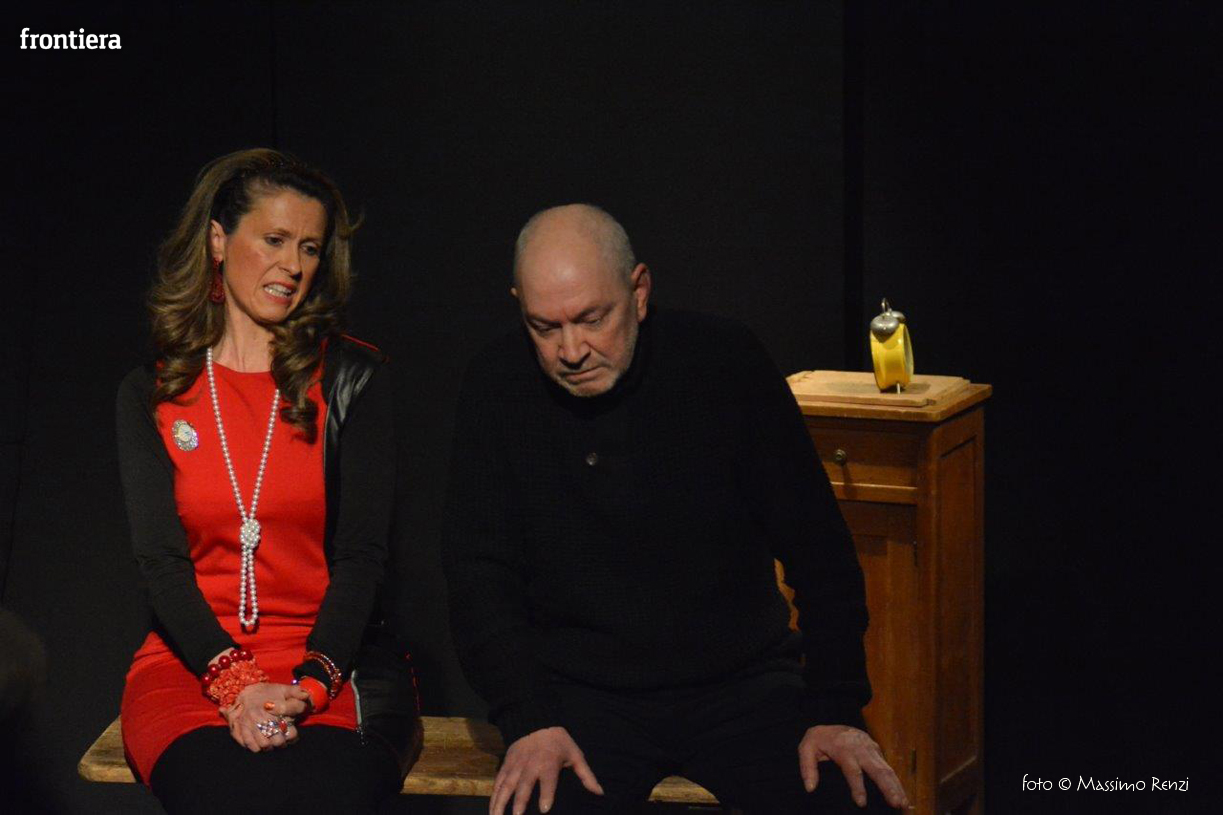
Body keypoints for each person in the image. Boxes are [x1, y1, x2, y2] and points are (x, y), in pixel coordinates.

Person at [443, 204, 910, 815]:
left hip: (744, 686)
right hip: (579, 698)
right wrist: (527, 717)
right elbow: (478, 576)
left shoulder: (723, 361)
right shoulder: (497, 385)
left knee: (852, 801)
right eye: (544, 327)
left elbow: (817, 546)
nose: (571, 349)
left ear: (639, 292)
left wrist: (834, 707)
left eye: (592, 319)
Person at [116, 148, 420, 814]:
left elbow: (362, 557)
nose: (294, 265)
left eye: (309, 248)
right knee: (219, 793)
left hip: (330, 664)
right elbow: (160, 564)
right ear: (218, 240)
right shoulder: (153, 391)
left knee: (322, 795)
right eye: (274, 240)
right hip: (193, 664)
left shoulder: (352, 380)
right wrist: (235, 684)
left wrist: (309, 685)